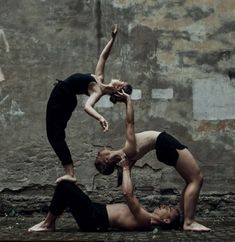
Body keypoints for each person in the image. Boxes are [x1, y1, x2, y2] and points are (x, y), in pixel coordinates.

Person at [95, 91, 211, 232]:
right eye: (100, 154)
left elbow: (127, 184)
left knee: (191, 180)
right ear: (106, 159)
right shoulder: (128, 149)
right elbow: (129, 122)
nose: (102, 149)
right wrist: (128, 100)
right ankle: (189, 222)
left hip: (162, 147)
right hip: (163, 143)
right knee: (196, 179)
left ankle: (184, 218)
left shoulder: (127, 159)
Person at [46, 24, 132, 183]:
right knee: (57, 134)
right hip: (67, 98)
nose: (119, 78)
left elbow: (87, 107)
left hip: (62, 95)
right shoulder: (99, 80)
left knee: (54, 134)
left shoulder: (97, 91)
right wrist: (112, 39)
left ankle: (70, 173)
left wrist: (100, 118)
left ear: (118, 88)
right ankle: (70, 172)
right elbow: (103, 57)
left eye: (121, 82)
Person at [28, 159, 180, 232]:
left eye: (168, 208)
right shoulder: (146, 215)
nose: (163, 205)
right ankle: (50, 223)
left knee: (66, 186)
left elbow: (128, 193)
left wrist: (126, 168)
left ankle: (48, 224)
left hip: (94, 218)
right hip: (95, 213)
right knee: (66, 188)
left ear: (166, 220)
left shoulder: (146, 220)